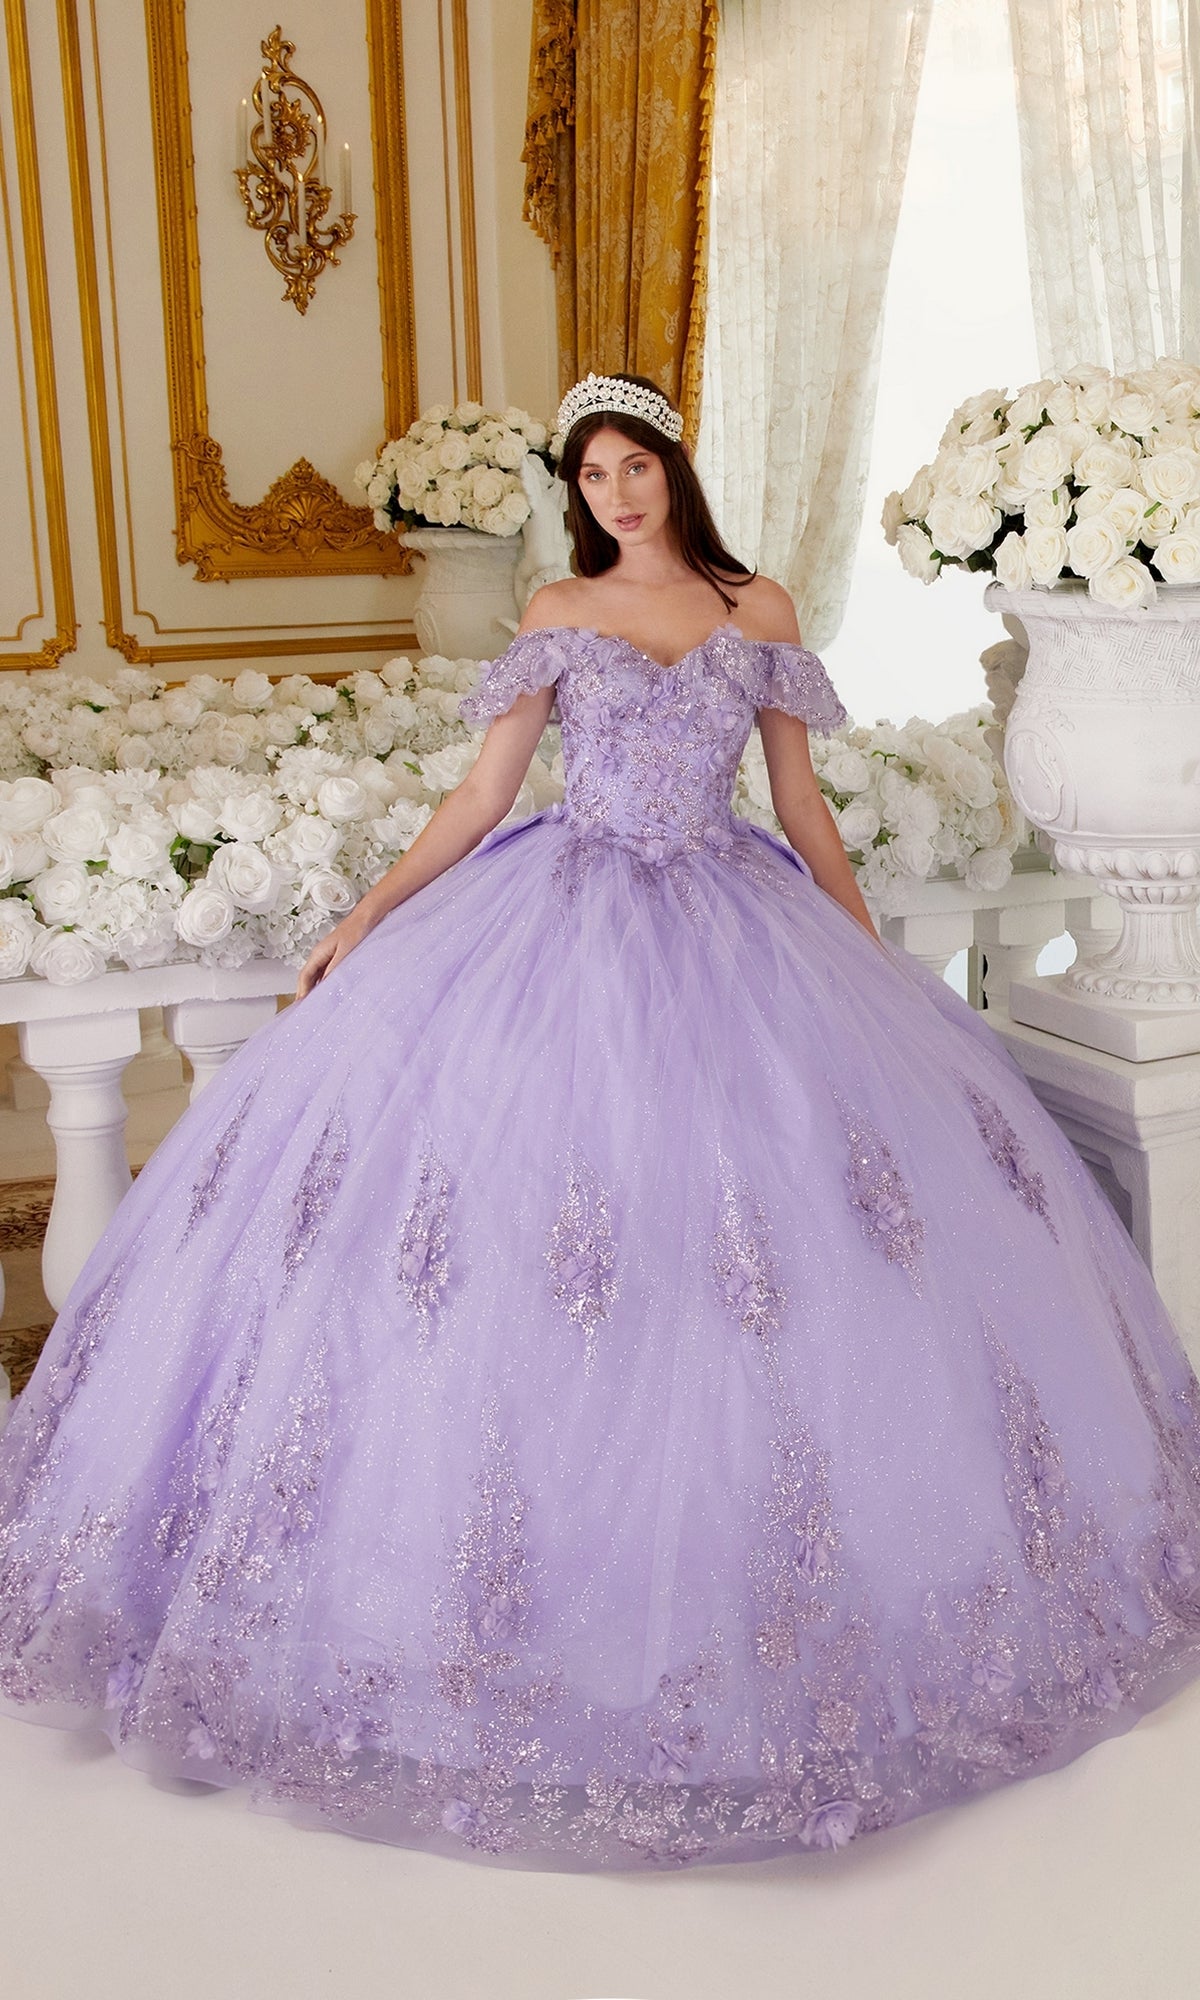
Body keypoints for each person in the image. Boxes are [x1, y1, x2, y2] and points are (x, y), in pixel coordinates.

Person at [1, 372, 1199, 1874]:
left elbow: (799, 805)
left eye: (636, 466)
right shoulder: (560, 613)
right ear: (574, 494)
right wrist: (372, 913)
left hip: (733, 922)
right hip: (557, 924)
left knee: (759, 1239)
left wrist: (866, 963)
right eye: (593, 475)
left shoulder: (757, 610)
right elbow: (483, 795)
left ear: (674, 471)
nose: (616, 494)